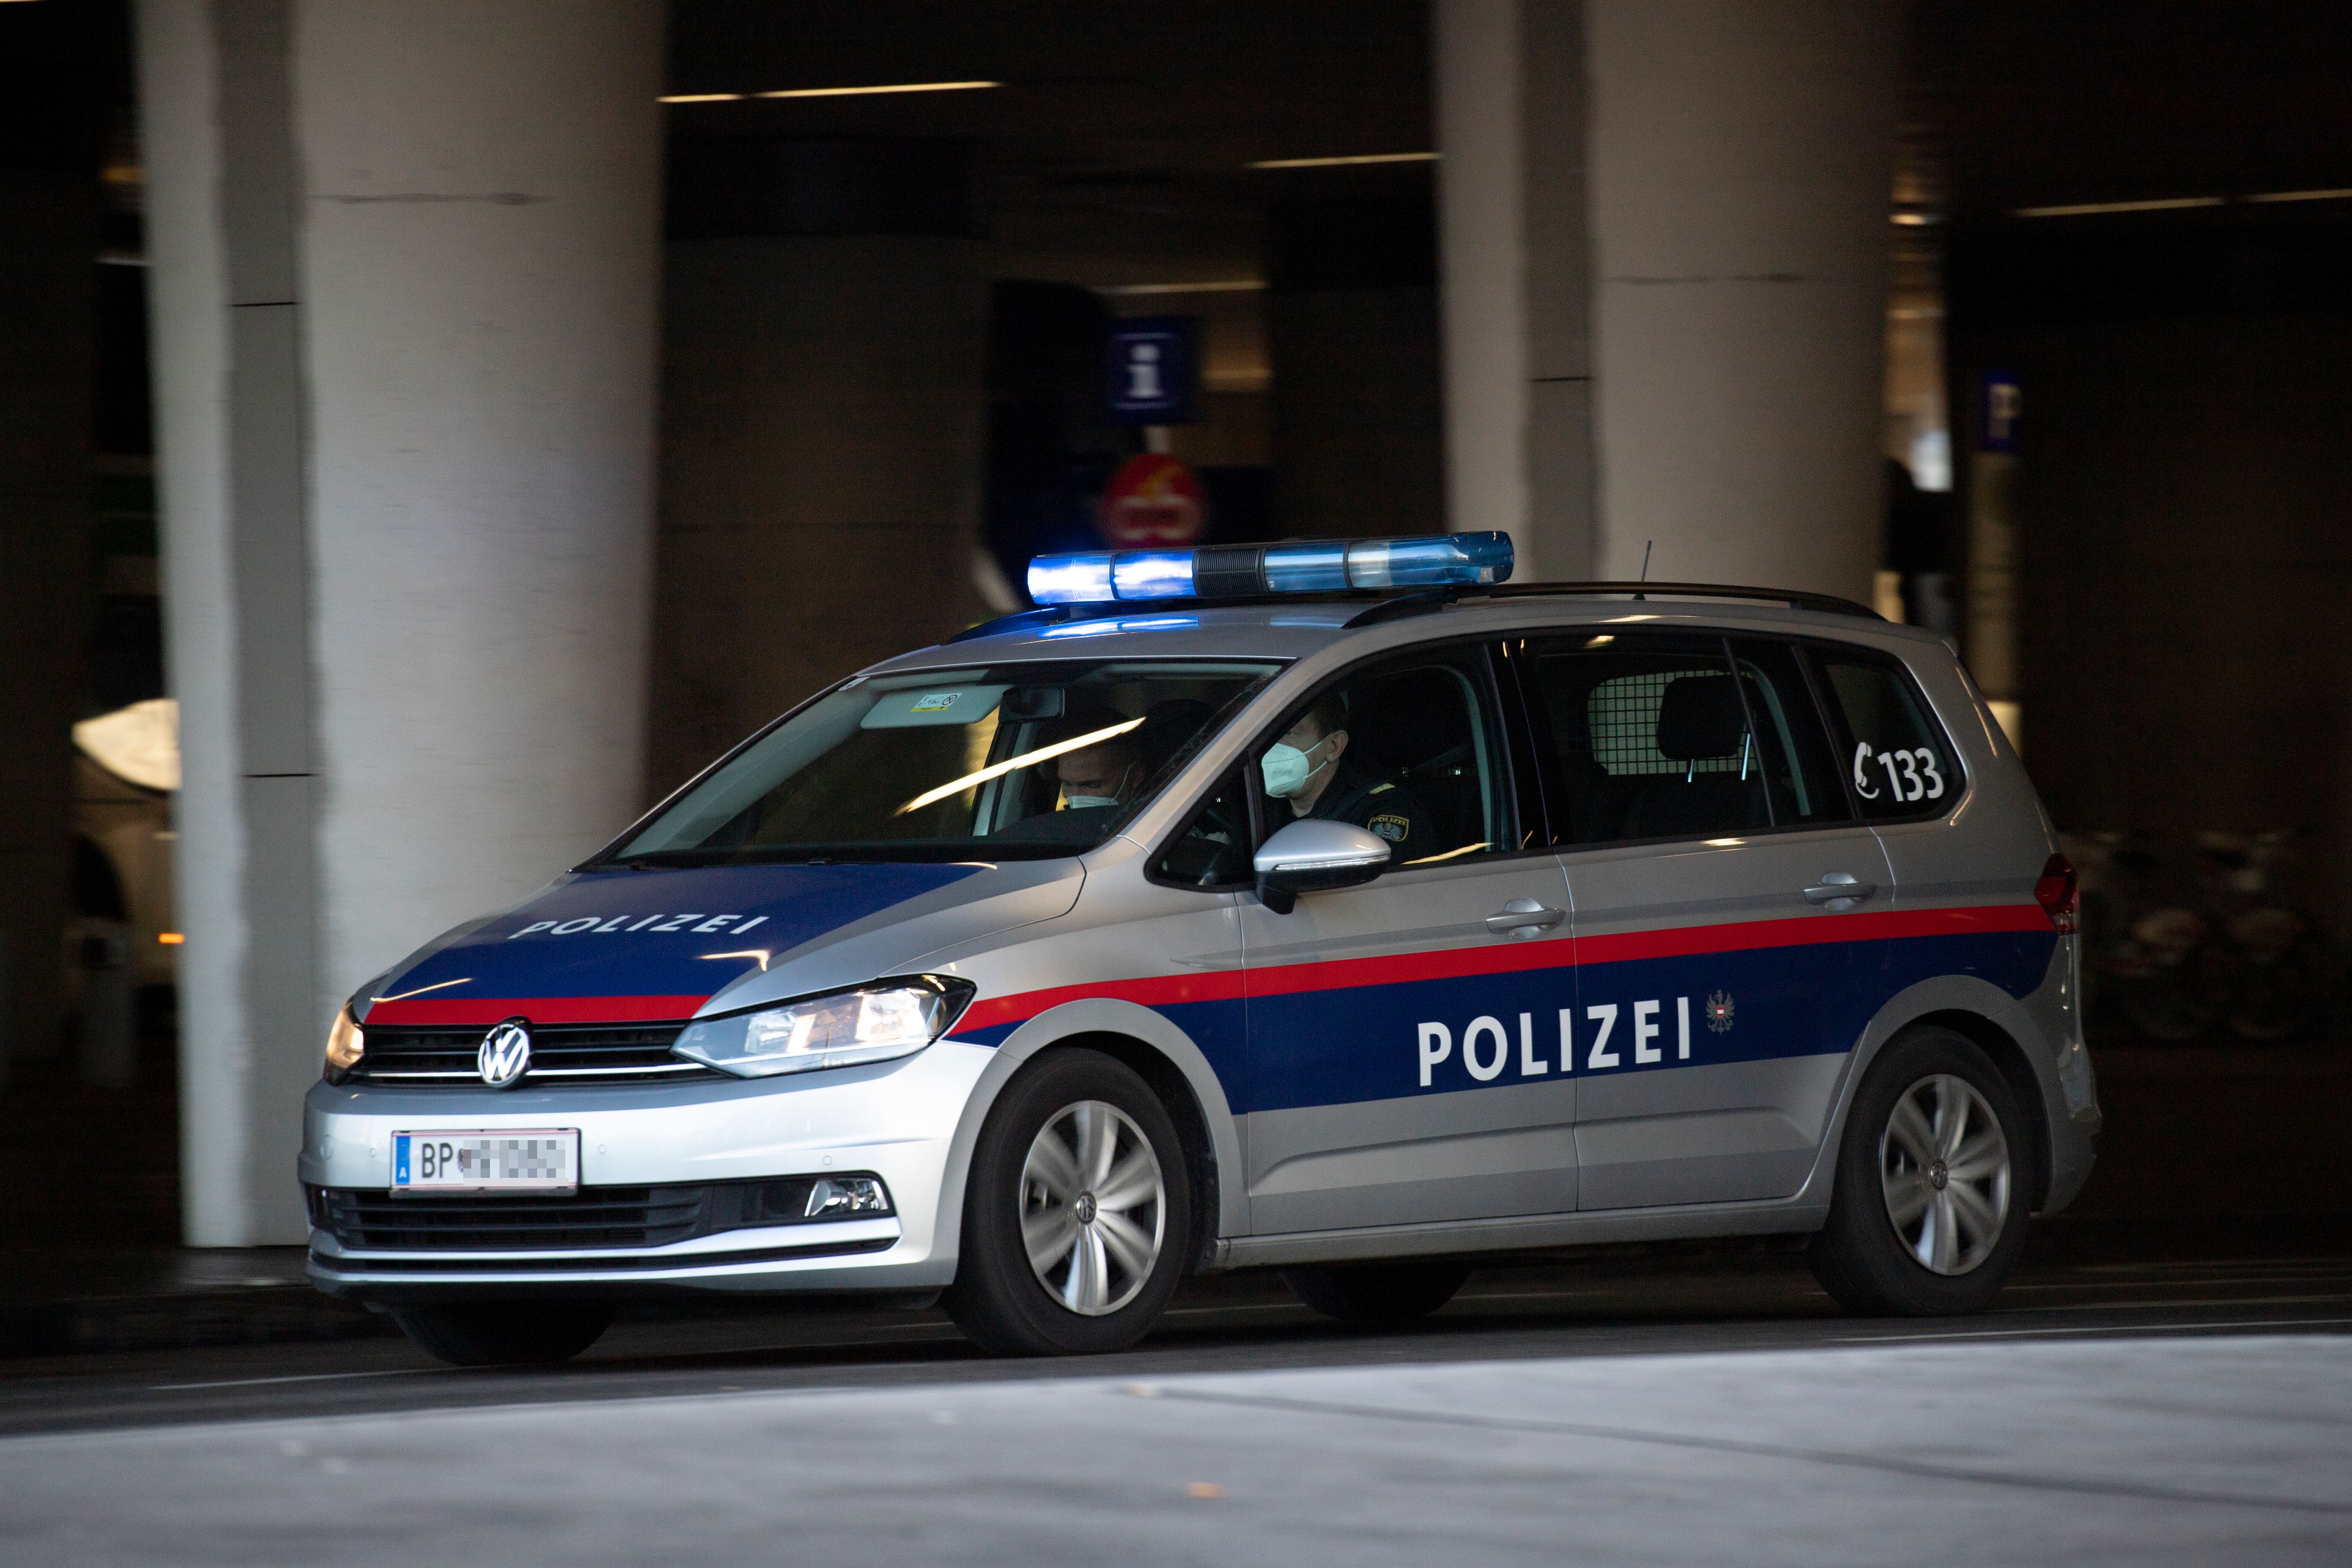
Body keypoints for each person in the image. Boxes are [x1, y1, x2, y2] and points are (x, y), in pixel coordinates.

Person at [1259, 693, 1435, 855]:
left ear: (1334, 746)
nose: (1274, 746)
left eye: (1289, 733)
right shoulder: (1255, 804)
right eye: (1271, 733)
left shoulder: (1377, 808)